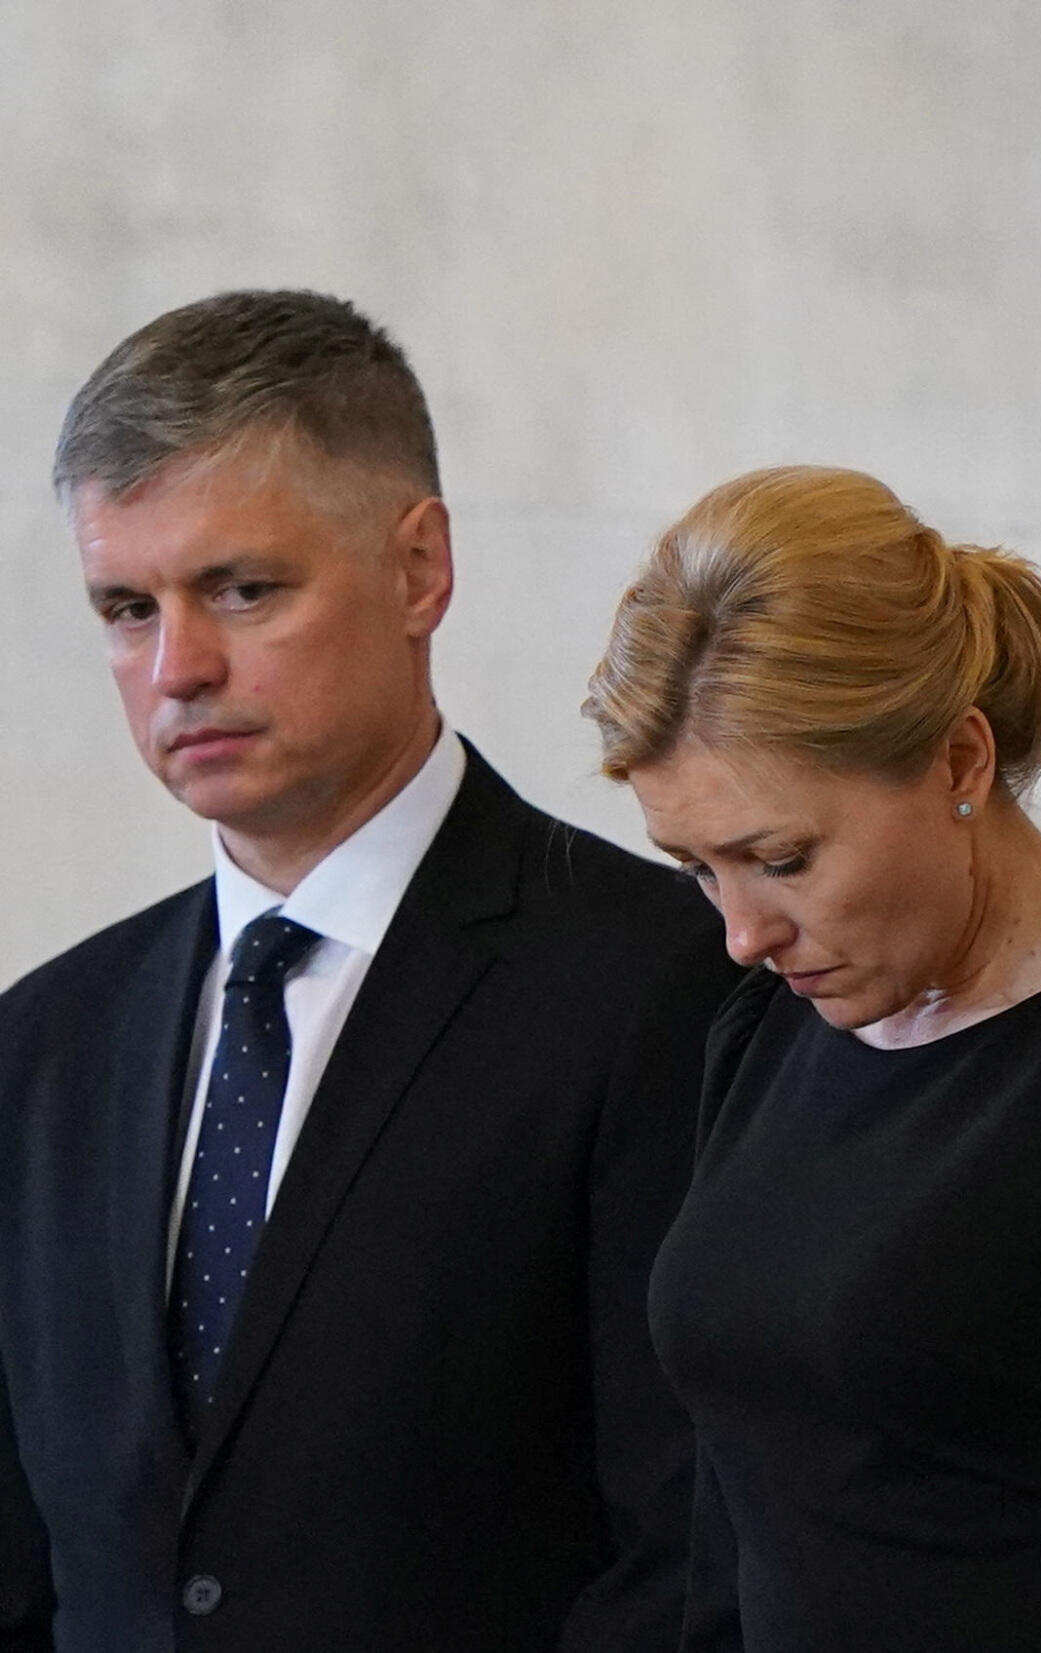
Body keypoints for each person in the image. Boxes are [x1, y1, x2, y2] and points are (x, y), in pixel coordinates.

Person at [0, 291, 740, 1652]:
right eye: (124, 606)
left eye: (243, 588)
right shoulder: (43, 1044)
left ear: (418, 570)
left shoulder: (669, 986)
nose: (178, 668)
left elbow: (690, 1548)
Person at [583, 465, 1041, 1653]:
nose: (742, 934)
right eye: (698, 869)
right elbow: (730, 1511)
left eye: (783, 858)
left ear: (959, 762)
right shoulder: (768, 1029)